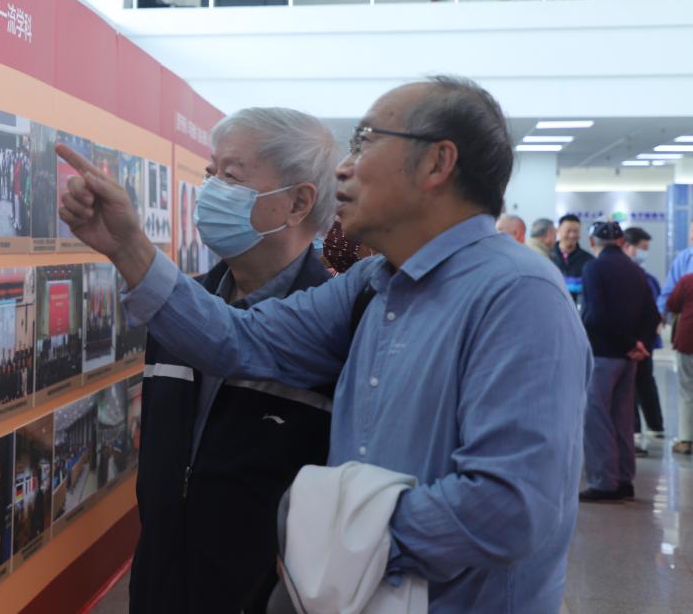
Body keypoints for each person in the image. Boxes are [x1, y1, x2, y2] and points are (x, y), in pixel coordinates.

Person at [57, 76, 591, 612]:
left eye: (365, 142)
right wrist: (128, 247)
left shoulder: (517, 296)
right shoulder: (372, 285)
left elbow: (509, 506)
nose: (342, 168)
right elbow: (239, 338)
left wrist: (329, 536)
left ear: (437, 163)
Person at [131, 107, 339, 614]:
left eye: (230, 176)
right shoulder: (180, 307)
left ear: (298, 202)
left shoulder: (336, 328)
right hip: (160, 585)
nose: (208, 191)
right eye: (210, 172)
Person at [579, 221, 658, 501]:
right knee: (622, 418)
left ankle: (603, 483)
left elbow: (596, 315)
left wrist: (627, 343)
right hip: (629, 359)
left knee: (596, 417)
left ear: (592, 242)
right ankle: (624, 480)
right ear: (622, 242)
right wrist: (640, 345)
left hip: (603, 354)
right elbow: (652, 314)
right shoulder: (636, 270)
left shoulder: (593, 268)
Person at [622, 227, 664, 447]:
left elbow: (656, 311)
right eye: (642, 248)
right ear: (627, 246)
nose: (644, 253)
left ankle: (654, 426)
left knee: (644, 383)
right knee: (634, 384)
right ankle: (636, 428)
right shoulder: (623, 276)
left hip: (643, 343)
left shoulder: (648, 279)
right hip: (634, 341)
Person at [664, 272, 693, 455]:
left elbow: (671, 304)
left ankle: (686, 440)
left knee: (687, 390)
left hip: (688, 339)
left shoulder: (688, 280)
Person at [658, 222, 693, 310]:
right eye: (691, 231)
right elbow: (669, 291)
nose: (692, 236)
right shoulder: (684, 258)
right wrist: (661, 312)